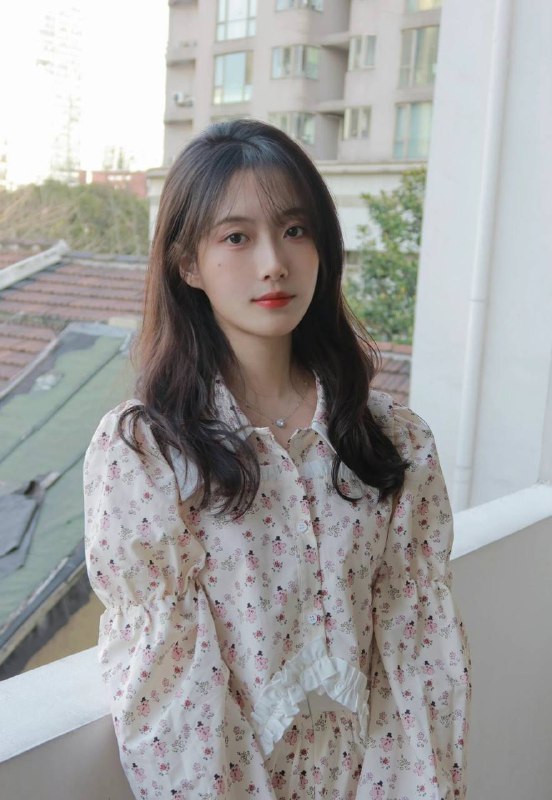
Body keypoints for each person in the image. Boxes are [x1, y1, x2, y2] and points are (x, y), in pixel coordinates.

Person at [84, 119, 471, 799]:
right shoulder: (146, 455)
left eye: (295, 230)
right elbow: (170, 703)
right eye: (236, 237)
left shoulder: (393, 440)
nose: (273, 263)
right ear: (187, 263)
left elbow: (418, 657)